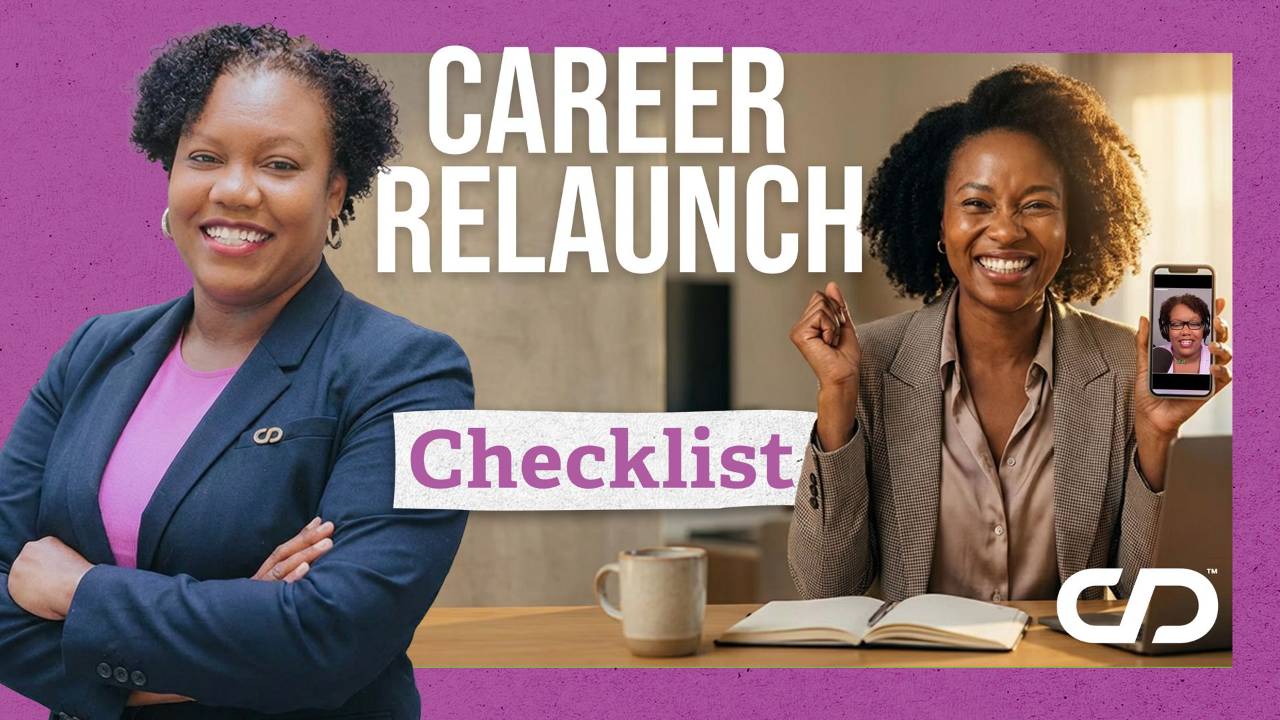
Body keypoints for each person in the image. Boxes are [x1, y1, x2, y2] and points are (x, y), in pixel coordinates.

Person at [0, 24, 471, 719]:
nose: (235, 190)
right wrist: (237, 640)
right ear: (171, 170)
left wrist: (78, 594)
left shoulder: (408, 375)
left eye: (279, 165)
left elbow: (329, 639)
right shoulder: (92, 353)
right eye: (204, 156)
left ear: (335, 190)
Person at [787, 65, 1232, 604]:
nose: (1005, 230)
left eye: (1037, 205)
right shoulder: (873, 365)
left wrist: (1156, 440)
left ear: (1075, 227)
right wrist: (837, 398)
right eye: (977, 204)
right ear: (939, 224)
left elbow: (1148, 604)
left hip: (1068, 682)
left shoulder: (1125, 369)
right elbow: (825, 591)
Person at [1158, 293, 1213, 374]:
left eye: (1194, 324)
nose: (1185, 332)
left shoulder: (1218, 360)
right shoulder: (1155, 357)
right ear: (1166, 329)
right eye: (1176, 324)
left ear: (1205, 328)